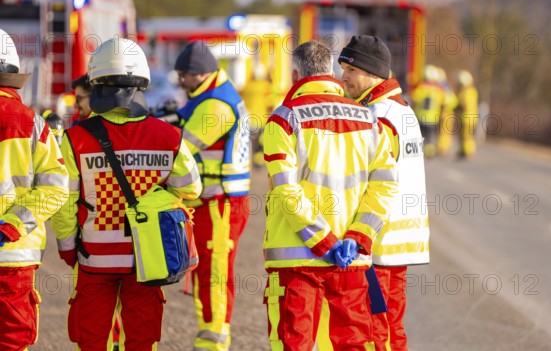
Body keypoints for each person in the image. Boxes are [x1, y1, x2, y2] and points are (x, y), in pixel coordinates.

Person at [51, 37, 202, 351]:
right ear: (142, 83)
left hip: (94, 259)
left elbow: (65, 203)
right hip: (148, 260)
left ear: (96, 83)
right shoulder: (169, 136)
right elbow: (191, 188)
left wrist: (67, 248)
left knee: (91, 339)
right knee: (141, 340)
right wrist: (151, 198)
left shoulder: (75, 138)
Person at [262, 40, 398, 350]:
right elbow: (385, 186)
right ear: (330, 71)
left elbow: (287, 192)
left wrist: (324, 242)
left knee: (294, 343)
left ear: (296, 74)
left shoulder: (283, 120)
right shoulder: (369, 119)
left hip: (297, 259)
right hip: (351, 259)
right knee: (354, 343)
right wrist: (358, 237)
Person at [338, 35, 430, 351]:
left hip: (378, 239)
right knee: (389, 327)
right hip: (393, 242)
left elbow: (373, 181)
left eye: (350, 69)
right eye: (342, 68)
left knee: (377, 330)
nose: (343, 76)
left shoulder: (378, 115)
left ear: (372, 72)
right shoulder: (399, 110)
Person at [174, 40, 251, 351]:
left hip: (220, 203)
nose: (181, 80)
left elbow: (180, 147)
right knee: (207, 270)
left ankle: (213, 342)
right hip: (215, 201)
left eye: (184, 75)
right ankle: (211, 338)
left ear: (201, 74)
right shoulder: (213, 95)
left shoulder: (215, 106)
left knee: (214, 274)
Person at [0, 28, 69, 350]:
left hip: (13, 255)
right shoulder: (31, 123)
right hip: (12, 256)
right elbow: (56, 188)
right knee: (12, 340)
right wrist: (12, 226)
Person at [411, 64, 446, 157]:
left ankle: (418, 153)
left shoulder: (421, 87)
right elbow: (443, 102)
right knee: (430, 138)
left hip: (421, 117)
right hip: (433, 118)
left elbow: (414, 99)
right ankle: (429, 152)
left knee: (419, 136)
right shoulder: (439, 89)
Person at [455, 69, 479, 159]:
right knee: (468, 136)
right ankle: (465, 150)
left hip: (466, 117)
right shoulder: (473, 91)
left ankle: (467, 152)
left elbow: (463, 105)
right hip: (472, 117)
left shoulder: (465, 93)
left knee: (466, 136)